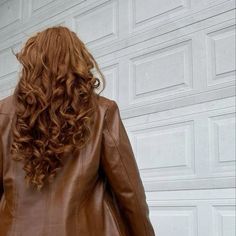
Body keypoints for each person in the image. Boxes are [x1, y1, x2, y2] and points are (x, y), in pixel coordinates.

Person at [0, 26, 155, 236]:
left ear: (31, 63)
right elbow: (129, 193)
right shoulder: (102, 112)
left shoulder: (3, 114)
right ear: (78, 61)